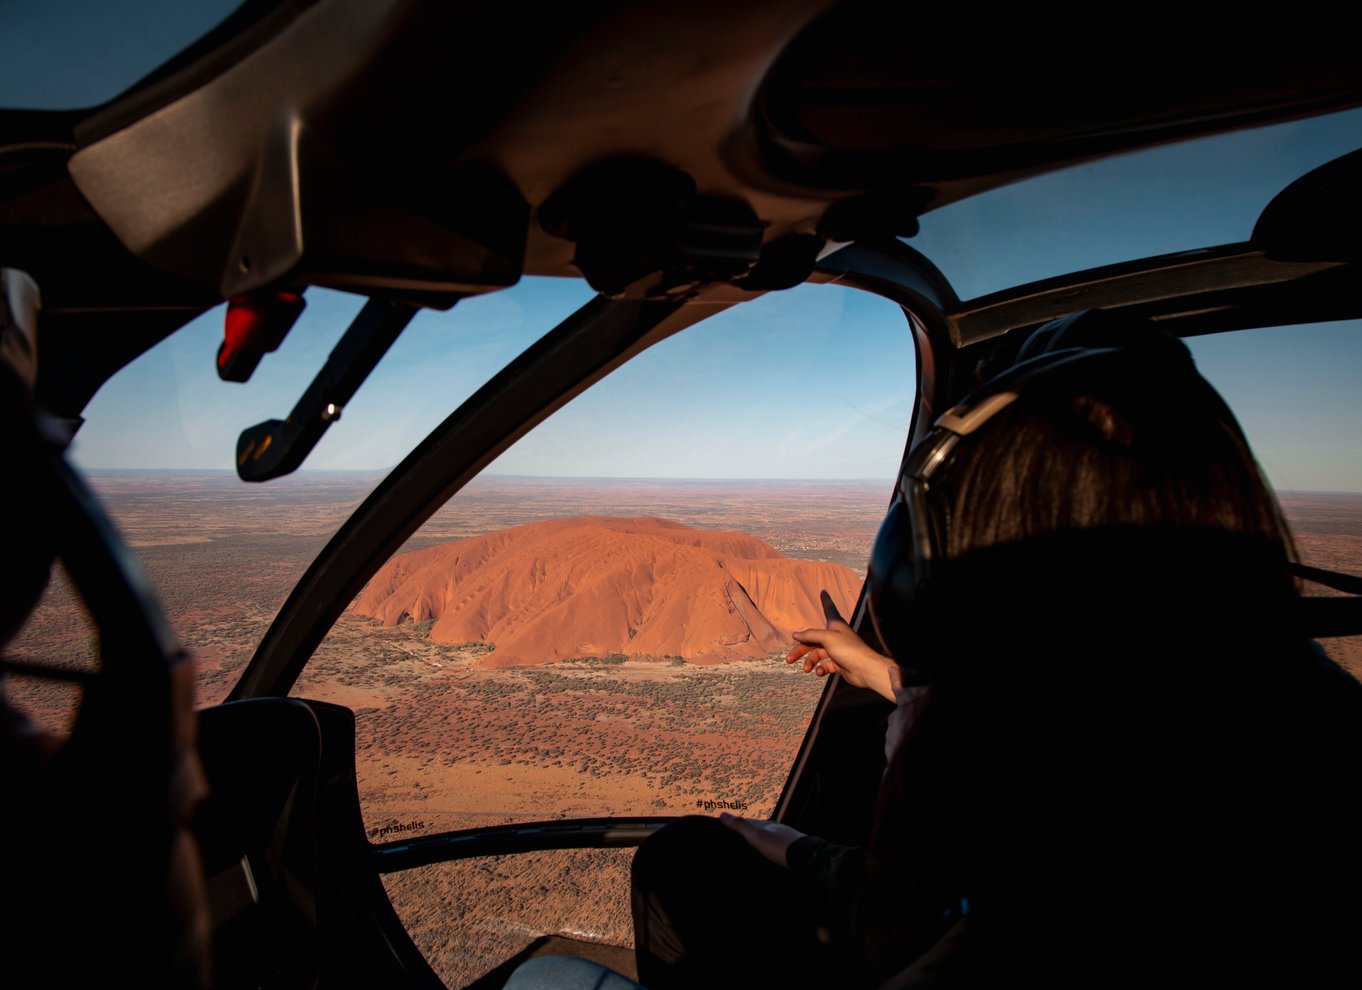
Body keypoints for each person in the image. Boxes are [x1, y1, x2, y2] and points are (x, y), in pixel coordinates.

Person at [514, 310, 1362, 987]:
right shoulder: (1275, 704)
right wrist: (876, 683)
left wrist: (878, 784)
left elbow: (972, 924)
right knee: (701, 856)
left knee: (583, 952)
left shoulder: (1083, 879)